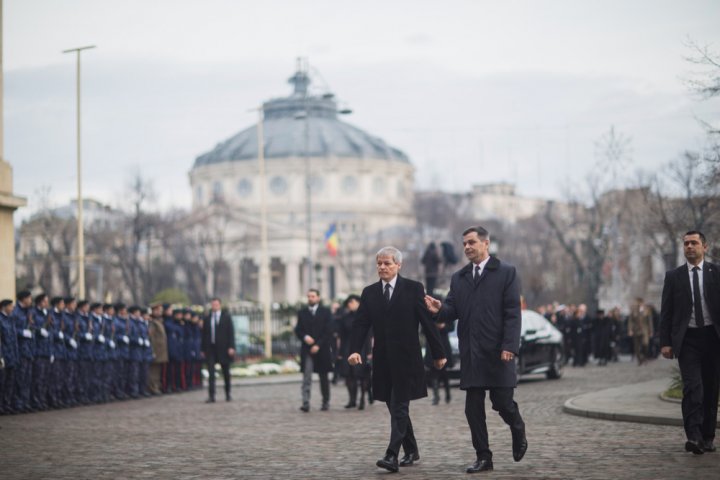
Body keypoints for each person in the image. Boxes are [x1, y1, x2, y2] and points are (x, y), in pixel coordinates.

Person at [425, 226, 527, 473]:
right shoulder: (459, 278)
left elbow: (513, 314)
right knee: (472, 409)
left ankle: (517, 426)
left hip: (498, 352)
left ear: (486, 243)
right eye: (464, 244)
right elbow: (452, 310)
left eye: (472, 242)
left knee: (502, 403)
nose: (467, 247)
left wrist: (509, 346)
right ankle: (484, 457)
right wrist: (439, 309)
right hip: (472, 352)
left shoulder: (506, 272)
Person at [349, 246, 447, 473]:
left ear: (398, 265)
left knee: (400, 405)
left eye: (387, 263)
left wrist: (439, 353)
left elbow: (427, 322)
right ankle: (411, 450)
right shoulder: (369, 292)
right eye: (379, 263)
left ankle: (392, 455)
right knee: (394, 406)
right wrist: (354, 350)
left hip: (407, 359)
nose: (382, 267)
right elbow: (361, 324)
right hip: (382, 360)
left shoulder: (413, 289)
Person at [660, 230, 720, 454]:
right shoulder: (674, 277)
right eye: (686, 244)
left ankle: (708, 436)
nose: (689, 247)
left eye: (694, 243)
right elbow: (666, 312)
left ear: (705, 246)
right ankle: (693, 437)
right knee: (693, 388)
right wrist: (665, 342)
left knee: (711, 388)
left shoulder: (716, 273)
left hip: (713, 338)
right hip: (688, 340)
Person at [295, 289, 334, 412]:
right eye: (308, 296)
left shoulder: (325, 312)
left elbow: (328, 330)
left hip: (322, 350)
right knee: (307, 376)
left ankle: (325, 401)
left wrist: (318, 345)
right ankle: (305, 402)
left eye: (313, 296)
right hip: (307, 350)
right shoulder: (302, 312)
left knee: (323, 377)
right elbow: (298, 329)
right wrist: (305, 337)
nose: (310, 298)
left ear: (318, 298)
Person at [201, 297, 235, 403]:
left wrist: (231, 347)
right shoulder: (207, 318)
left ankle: (228, 393)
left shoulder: (226, 317)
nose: (214, 306)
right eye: (213, 304)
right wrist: (202, 349)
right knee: (211, 373)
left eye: (216, 304)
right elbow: (204, 335)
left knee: (225, 373)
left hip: (224, 349)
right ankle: (212, 396)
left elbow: (231, 333)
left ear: (220, 305)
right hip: (211, 349)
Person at [0, 299, 19, 415]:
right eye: (11, 306)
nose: (12, 308)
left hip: (12, 356)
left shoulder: (10, 319)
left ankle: (7, 405)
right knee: (2, 383)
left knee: (10, 382)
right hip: (4, 357)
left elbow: (14, 340)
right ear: (4, 307)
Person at [147, 303, 168, 395]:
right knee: (153, 371)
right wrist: (152, 350)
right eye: (158, 310)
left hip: (161, 349)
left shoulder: (159, 321)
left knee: (158, 370)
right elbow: (151, 336)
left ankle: (157, 386)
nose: (160, 312)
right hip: (156, 349)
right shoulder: (152, 322)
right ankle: (153, 387)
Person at [628, 297, 654, 365]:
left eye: (640, 302)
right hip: (636, 330)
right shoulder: (633, 310)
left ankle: (644, 357)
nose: (638, 303)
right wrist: (630, 330)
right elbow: (630, 321)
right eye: (637, 302)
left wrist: (651, 331)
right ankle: (640, 360)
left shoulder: (646, 310)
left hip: (645, 330)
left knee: (645, 344)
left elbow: (650, 321)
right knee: (636, 346)